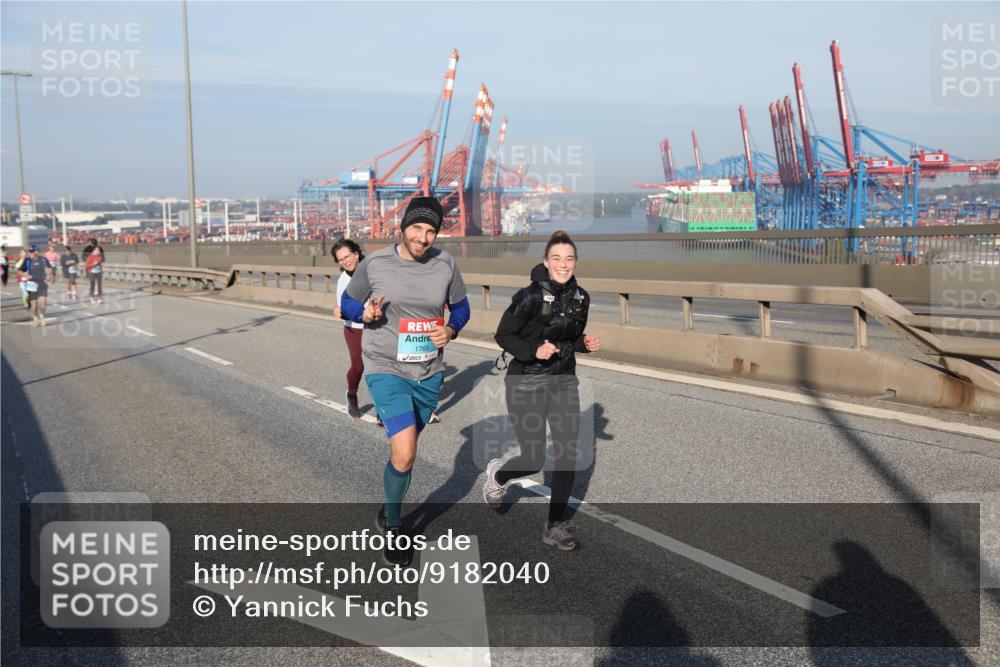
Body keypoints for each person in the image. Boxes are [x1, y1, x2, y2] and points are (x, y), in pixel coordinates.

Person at [340, 196, 470, 566]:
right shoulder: (376, 263)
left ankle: (388, 505)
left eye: (431, 231)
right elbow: (349, 302)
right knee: (406, 451)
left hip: (428, 371)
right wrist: (364, 311)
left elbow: (461, 307)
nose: (424, 237)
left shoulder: (445, 263)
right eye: (417, 228)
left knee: (404, 453)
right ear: (403, 226)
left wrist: (451, 328)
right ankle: (395, 526)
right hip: (385, 367)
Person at [482, 230, 600, 551]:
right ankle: (499, 476)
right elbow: (504, 335)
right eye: (557, 259)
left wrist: (583, 344)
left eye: (569, 259)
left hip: (563, 382)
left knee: (566, 455)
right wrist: (534, 351)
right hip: (526, 382)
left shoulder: (581, 298)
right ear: (547, 262)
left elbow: (569, 338)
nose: (564, 264)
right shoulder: (529, 296)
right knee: (533, 458)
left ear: (576, 262)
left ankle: (554, 525)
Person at [332, 238, 367, 419]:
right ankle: (352, 394)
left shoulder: (371, 270)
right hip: (354, 328)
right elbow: (341, 308)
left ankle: (385, 410)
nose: (345, 261)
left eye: (348, 256)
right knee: (359, 366)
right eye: (341, 259)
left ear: (356, 254)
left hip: (377, 326)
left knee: (381, 368)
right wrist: (340, 313)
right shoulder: (343, 280)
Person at [21, 245, 51, 326]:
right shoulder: (27, 261)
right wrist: (25, 275)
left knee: (43, 302)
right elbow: (20, 271)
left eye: (32, 251)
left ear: (36, 252)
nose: (30, 253)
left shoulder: (43, 259)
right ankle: (35, 317)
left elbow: (49, 268)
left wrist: (48, 275)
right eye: (29, 252)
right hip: (32, 284)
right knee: (34, 304)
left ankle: (42, 316)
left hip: (42, 283)